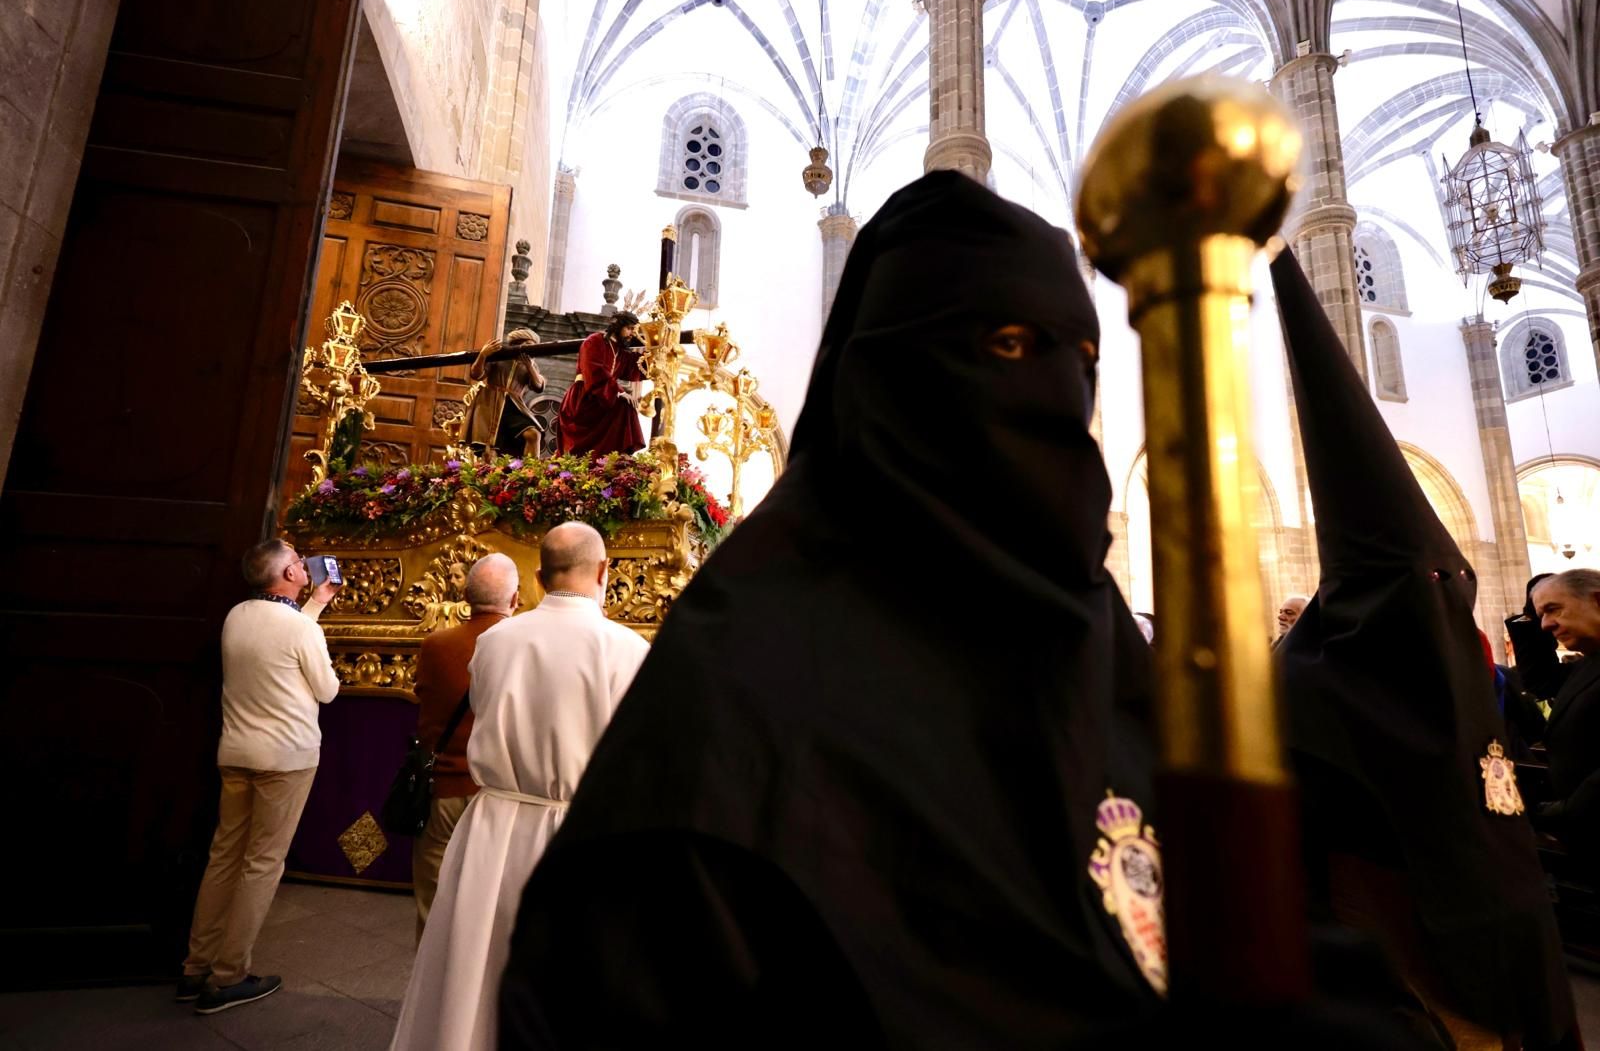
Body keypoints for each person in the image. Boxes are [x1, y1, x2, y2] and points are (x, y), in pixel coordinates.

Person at [499, 173, 1434, 1049]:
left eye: (1081, 360)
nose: (1056, 400)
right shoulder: (741, 699)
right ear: (893, 374)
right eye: (1012, 347)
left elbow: (1241, 925)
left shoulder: (1099, 644)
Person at [1270, 249, 1578, 1049]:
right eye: (1424, 579)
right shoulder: (1303, 683)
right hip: (1388, 974)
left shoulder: (1447, 655)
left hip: (1512, 940)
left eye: (1452, 578)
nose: (1444, 593)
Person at [389, 522, 650, 1051]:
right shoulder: (627, 649)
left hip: (494, 822)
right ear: (604, 571)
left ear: (538, 577)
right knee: (566, 979)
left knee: (476, 966)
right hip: (578, 831)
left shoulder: (495, 641)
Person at [179, 539, 340, 1014]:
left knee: (224, 858)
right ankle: (229, 976)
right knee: (262, 864)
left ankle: (195, 967)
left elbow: (281, 638)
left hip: (236, 752)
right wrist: (313, 617)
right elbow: (328, 690)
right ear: (288, 574)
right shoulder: (299, 627)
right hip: (285, 759)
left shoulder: (237, 615)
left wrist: (315, 606)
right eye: (298, 562)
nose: (305, 566)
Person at [409, 553, 520, 940]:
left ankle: (431, 973)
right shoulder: (523, 647)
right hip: (501, 794)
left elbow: (424, 697)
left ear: (465, 596)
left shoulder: (436, 644)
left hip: (445, 789)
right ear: (515, 598)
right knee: (493, 906)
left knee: (433, 902)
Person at [1514, 569, 1600, 867]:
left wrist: (1561, 812)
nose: (1545, 624)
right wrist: (1529, 615)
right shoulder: (1588, 663)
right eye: (1541, 615)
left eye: (1553, 609)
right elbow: (1541, 681)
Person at [556, 311, 645, 456]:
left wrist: (655, 354)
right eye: (629, 329)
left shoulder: (620, 352)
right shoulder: (594, 341)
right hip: (584, 398)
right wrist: (619, 392)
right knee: (624, 404)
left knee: (626, 406)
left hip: (603, 399)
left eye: (634, 331)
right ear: (618, 326)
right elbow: (594, 371)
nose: (632, 334)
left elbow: (636, 366)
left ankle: (619, 456)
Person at [466, 327, 548, 457]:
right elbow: (476, 374)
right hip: (491, 404)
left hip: (513, 405)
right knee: (490, 449)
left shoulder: (532, 365)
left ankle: (531, 469)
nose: (531, 349)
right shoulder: (500, 356)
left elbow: (538, 386)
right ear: (517, 344)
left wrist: (529, 366)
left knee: (533, 434)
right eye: (528, 344)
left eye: (534, 346)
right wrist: (483, 355)